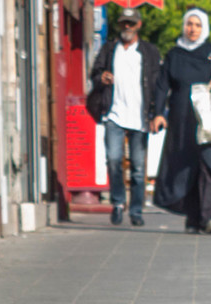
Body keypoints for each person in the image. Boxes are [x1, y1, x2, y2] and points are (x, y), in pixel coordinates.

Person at [153, 9, 211, 233]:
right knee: (186, 167)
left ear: (205, 28)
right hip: (182, 120)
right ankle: (193, 219)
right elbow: (162, 86)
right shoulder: (174, 55)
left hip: (209, 120)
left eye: (198, 25)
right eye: (189, 24)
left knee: (210, 165)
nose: (192, 29)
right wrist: (158, 113)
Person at [91, 13, 164, 226]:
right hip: (114, 113)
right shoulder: (109, 49)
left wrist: (156, 113)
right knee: (113, 159)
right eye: (123, 22)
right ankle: (117, 203)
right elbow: (94, 73)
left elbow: (158, 84)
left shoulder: (149, 52)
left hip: (140, 116)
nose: (127, 26)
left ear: (139, 25)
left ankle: (136, 210)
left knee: (138, 168)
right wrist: (101, 77)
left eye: (131, 23)